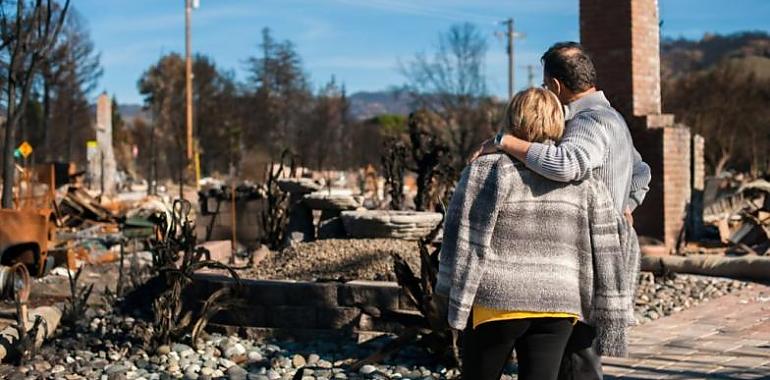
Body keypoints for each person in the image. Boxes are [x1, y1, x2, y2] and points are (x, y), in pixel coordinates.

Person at [473, 41, 649, 379]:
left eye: (544, 84)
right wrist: (627, 205)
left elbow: (567, 165)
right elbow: (642, 171)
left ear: (555, 85)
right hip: (610, 246)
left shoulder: (588, 122)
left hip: (593, 252)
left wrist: (504, 141)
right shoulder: (613, 119)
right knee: (578, 351)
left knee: (578, 357)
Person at [436, 88, 632, 380]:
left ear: (513, 119)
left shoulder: (487, 169)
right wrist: (610, 309)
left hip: (497, 300)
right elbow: (606, 249)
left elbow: (461, 237)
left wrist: (449, 292)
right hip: (559, 303)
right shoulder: (584, 183)